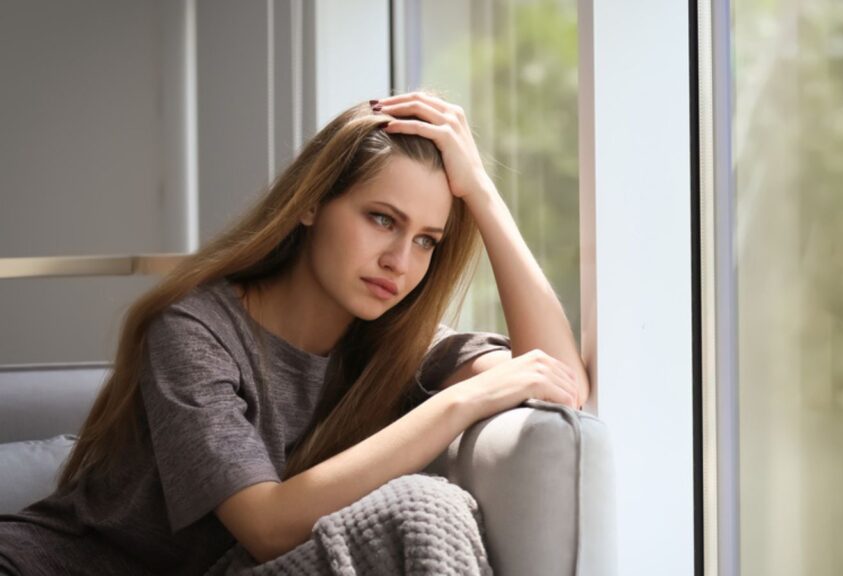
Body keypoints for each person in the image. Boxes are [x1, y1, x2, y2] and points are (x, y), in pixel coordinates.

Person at [0, 91, 589, 575]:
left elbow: (559, 384)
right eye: (382, 219)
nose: (399, 261)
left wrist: (482, 194)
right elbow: (269, 524)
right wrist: (464, 399)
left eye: (426, 240)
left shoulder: (398, 346)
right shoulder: (193, 330)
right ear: (310, 205)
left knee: (428, 511)